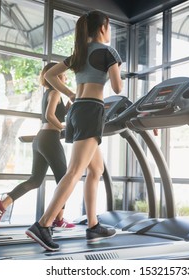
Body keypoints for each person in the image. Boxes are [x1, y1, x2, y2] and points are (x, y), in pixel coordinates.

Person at [25, 10, 123, 251]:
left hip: (78, 110)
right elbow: (118, 87)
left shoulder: (79, 53)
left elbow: (50, 75)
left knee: (96, 168)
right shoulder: (108, 52)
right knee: (75, 171)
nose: (109, 31)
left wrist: (71, 94)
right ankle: (43, 224)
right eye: (109, 27)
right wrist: (115, 68)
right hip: (92, 110)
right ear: (103, 28)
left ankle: (93, 224)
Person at [0, 63, 75, 230]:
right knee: (64, 179)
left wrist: (70, 103)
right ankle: (59, 219)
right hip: (49, 138)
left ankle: (2, 205)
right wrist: (62, 127)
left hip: (40, 139)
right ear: (57, 76)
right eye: (63, 74)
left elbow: (58, 114)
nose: (66, 77)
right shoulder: (56, 92)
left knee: (35, 180)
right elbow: (49, 116)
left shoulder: (49, 93)